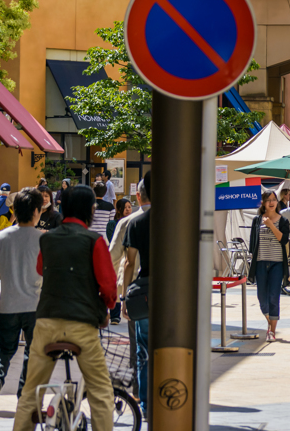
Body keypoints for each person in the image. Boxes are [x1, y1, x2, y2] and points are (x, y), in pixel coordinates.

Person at [12, 185, 116, 431]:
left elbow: (41, 269)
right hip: (82, 326)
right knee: (101, 392)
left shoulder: (47, 239)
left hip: (46, 322)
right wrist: (107, 308)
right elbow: (109, 286)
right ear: (89, 210)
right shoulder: (94, 240)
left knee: (30, 391)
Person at [0, 188, 43, 415]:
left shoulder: (1, 237)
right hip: (35, 306)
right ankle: (24, 395)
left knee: (4, 349)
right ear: (36, 211)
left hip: (7, 304)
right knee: (33, 351)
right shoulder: (43, 239)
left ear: (15, 211)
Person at [122, 172, 152, 415]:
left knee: (143, 348)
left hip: (144, 291)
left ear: (140, 195)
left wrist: (124, 297)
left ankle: (144, 402)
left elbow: (129, 263)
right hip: (175, 292)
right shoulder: (178, 218)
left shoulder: (136, 222)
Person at [248, 190, 290, 341]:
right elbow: (252, 243)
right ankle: (270, 322)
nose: (272, 202)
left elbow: (284, 240)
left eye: (274, 199)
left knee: (273, 296)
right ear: (263, 203)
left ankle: (271, 331)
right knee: (261, 297)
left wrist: (271, 225)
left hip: (277, 263)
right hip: (260, 262)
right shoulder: (256, 220)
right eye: (268, 200)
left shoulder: (283, 221)